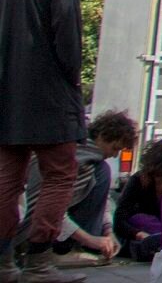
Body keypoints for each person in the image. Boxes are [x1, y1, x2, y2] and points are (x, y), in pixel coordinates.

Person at [0, 0, 88, 283]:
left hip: (8, 97)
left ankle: (4, 261)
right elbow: (68, 44)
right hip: (51, 98)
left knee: (7, 181)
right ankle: (39, 259)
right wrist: (74, 87)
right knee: (58, 176)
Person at [17, 110, 138, 268]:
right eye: (114, 148)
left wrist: (108, 231)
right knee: (102, 171)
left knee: (102, 171)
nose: (115, 155)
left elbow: (103, 200)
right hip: (34, 227)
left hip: (56, 221)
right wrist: (89, 239)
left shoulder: (92, 160)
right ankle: (57, 250)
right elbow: (50, 205)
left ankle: (77, 246)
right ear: (102, 137)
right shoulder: (73, 155)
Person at [112, 140, 162, 264]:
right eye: (159, 175)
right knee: (140, 219)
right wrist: (138, 234)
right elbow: (119, 220)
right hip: (144, 234)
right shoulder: (137, 181)